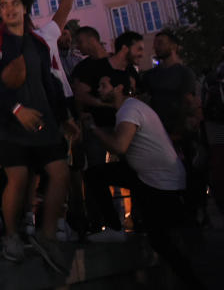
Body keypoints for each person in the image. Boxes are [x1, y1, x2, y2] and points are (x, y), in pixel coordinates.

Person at [0, 0, 79, 274]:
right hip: (7, 121)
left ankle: (47, 236)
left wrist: (64, 116)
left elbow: (50, 82)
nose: (9, 8)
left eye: (14, 3)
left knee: (60, 173)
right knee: (18, 179)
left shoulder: (39, 42)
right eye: (3, 5)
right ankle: (10, 235)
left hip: (42, 118)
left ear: (24, 7)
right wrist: (16, 109)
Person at [88, 70, 207, 289]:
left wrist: (93, 129)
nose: (99, 90)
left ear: (118, 88)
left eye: (103, 85)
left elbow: (119, 146)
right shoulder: (131, 108)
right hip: (151, 178)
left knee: (161, 240)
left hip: (160, 183)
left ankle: (194, 282)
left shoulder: (129, 110)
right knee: (97, 175)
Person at [72, 30, 140, 238]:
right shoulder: (83, 67)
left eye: (80, 41)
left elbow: (137, 89)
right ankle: (101, 222)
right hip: (98, 127)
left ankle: (136, 218)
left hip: (124, 126)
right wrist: (102, 104)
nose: (78, 46)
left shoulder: (121, 65)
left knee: (134, 170)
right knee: (95, 172)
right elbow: (80, 95)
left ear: (92, 39)